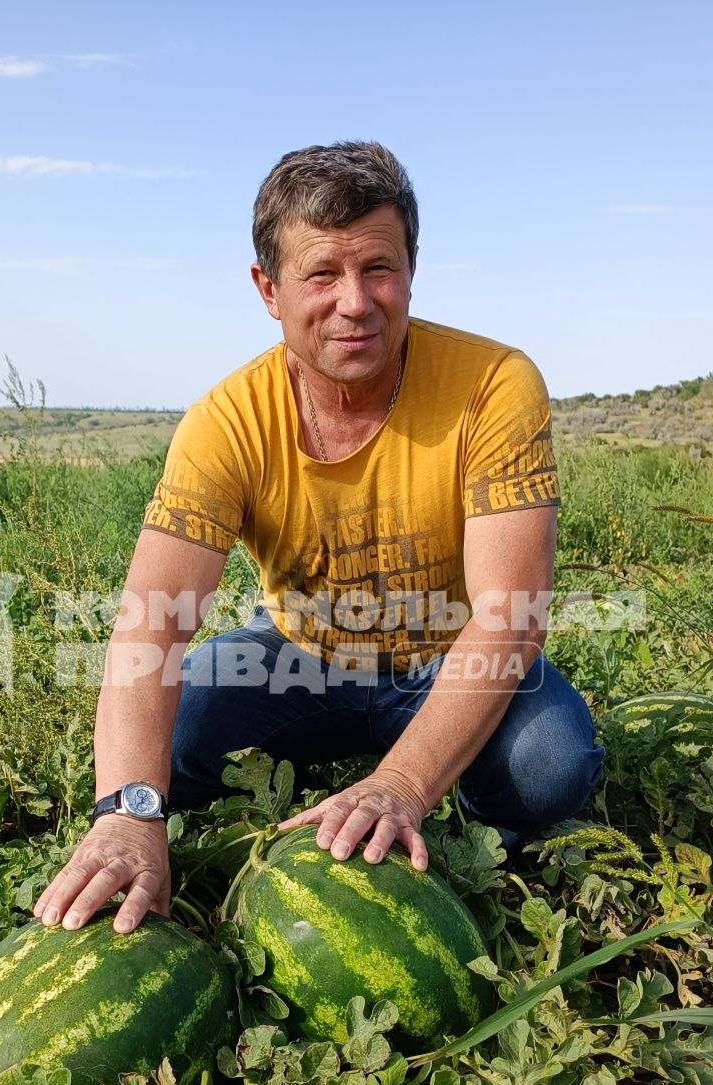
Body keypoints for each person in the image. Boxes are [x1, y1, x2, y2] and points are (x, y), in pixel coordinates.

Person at [33, 140, 604, 934]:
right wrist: (129, 813)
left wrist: (403, 782)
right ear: (268, 289)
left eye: (377, 268)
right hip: (302, 652)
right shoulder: (226, 420)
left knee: (546, 769)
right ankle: (348, 764)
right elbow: (152, 618)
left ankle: (448, 821)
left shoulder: (493, 383)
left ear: (411, 267)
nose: (355, 302)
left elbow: (510, 613)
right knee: (168, 752)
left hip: (450, 649)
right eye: (320, 275)